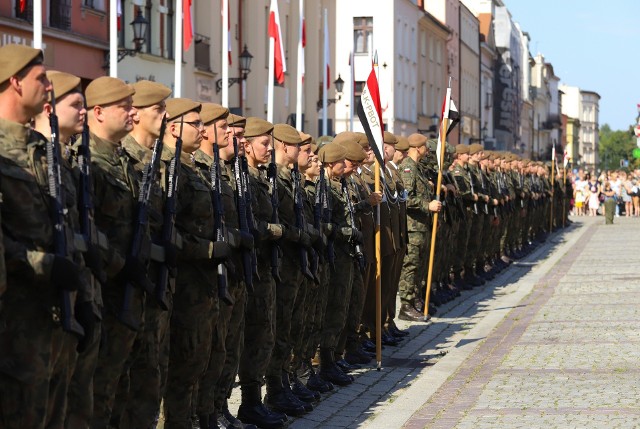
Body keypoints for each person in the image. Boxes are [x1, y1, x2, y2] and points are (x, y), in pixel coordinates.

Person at [0, 43, 84, 429]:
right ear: (14, 82)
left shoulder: (45, 151)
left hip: (56, 314)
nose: (49, 87)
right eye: (41, 79)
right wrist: (43, 264)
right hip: (16, 317)